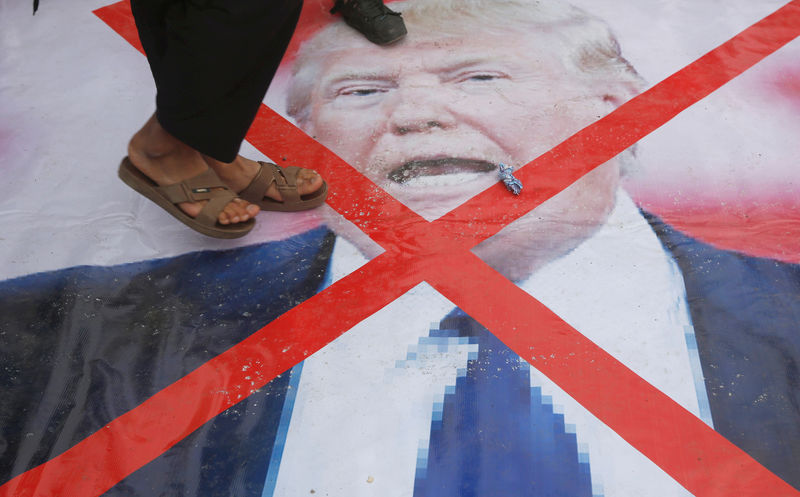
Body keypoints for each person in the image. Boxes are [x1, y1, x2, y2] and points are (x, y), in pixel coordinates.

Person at [1, 0, 798, 495]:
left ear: (615, 106)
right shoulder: (40, 332)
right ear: (306, 137)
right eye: (362, 92)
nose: (417, 114)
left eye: (478, 79)